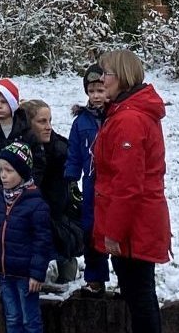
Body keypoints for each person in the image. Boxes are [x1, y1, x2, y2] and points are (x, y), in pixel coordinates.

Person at [92, 50, 169, 333]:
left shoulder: (129, 120)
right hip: (136, 222)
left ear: (122, 77)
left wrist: (114, 231)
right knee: (139, 296)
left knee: (140, 298)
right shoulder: (124, 113)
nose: (102, 80)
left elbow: (127, 183)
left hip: (134, 226)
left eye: (106, 74)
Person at [0, 142, 56, 333]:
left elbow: (42, 242)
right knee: (12, 317)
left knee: (29, 320)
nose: (3, 175)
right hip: (5, 272)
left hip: (26, 275)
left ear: (22, 172)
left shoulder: (36, 203)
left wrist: (37, 273)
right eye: (1, 170)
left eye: (9, 170)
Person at [23, 98, 81, 286]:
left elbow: (61, 197)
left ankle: (66, 266)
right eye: (42, 122)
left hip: (57, 215)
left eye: (50, 121)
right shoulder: (21, 151)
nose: (48, 127)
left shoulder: (60, 150)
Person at [64, 63, 110, 289]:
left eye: (100, 90)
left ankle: (122, 273)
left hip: (112, 182)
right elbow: (73, 153)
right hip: (90, 182)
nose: (96, 96)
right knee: (91, 229)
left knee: (113, 228)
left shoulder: (116, 116)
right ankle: (95, 277)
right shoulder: (80, 122)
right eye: (92, 91)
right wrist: (71, 179)